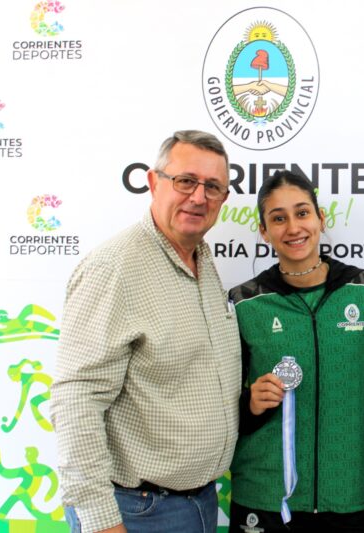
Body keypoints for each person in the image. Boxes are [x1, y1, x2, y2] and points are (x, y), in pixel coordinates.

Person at [51, 130, 241, 533]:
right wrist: (101, 522)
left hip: (198, 504)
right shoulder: (114, 268)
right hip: (136, 514)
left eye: (213, 187)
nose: (198, 196)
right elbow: (75, 400)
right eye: (185, 181)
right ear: (154, 183)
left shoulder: (201, 260)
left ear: (224, 198)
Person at [227, 170, 364, 533]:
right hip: (265, 502)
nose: (293, 227)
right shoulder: (243, 303)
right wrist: (248, 404)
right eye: (278, 218)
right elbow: (212, 404)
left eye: (302, 213)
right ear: (264, 231)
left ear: (320, 219)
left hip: (353, 500)